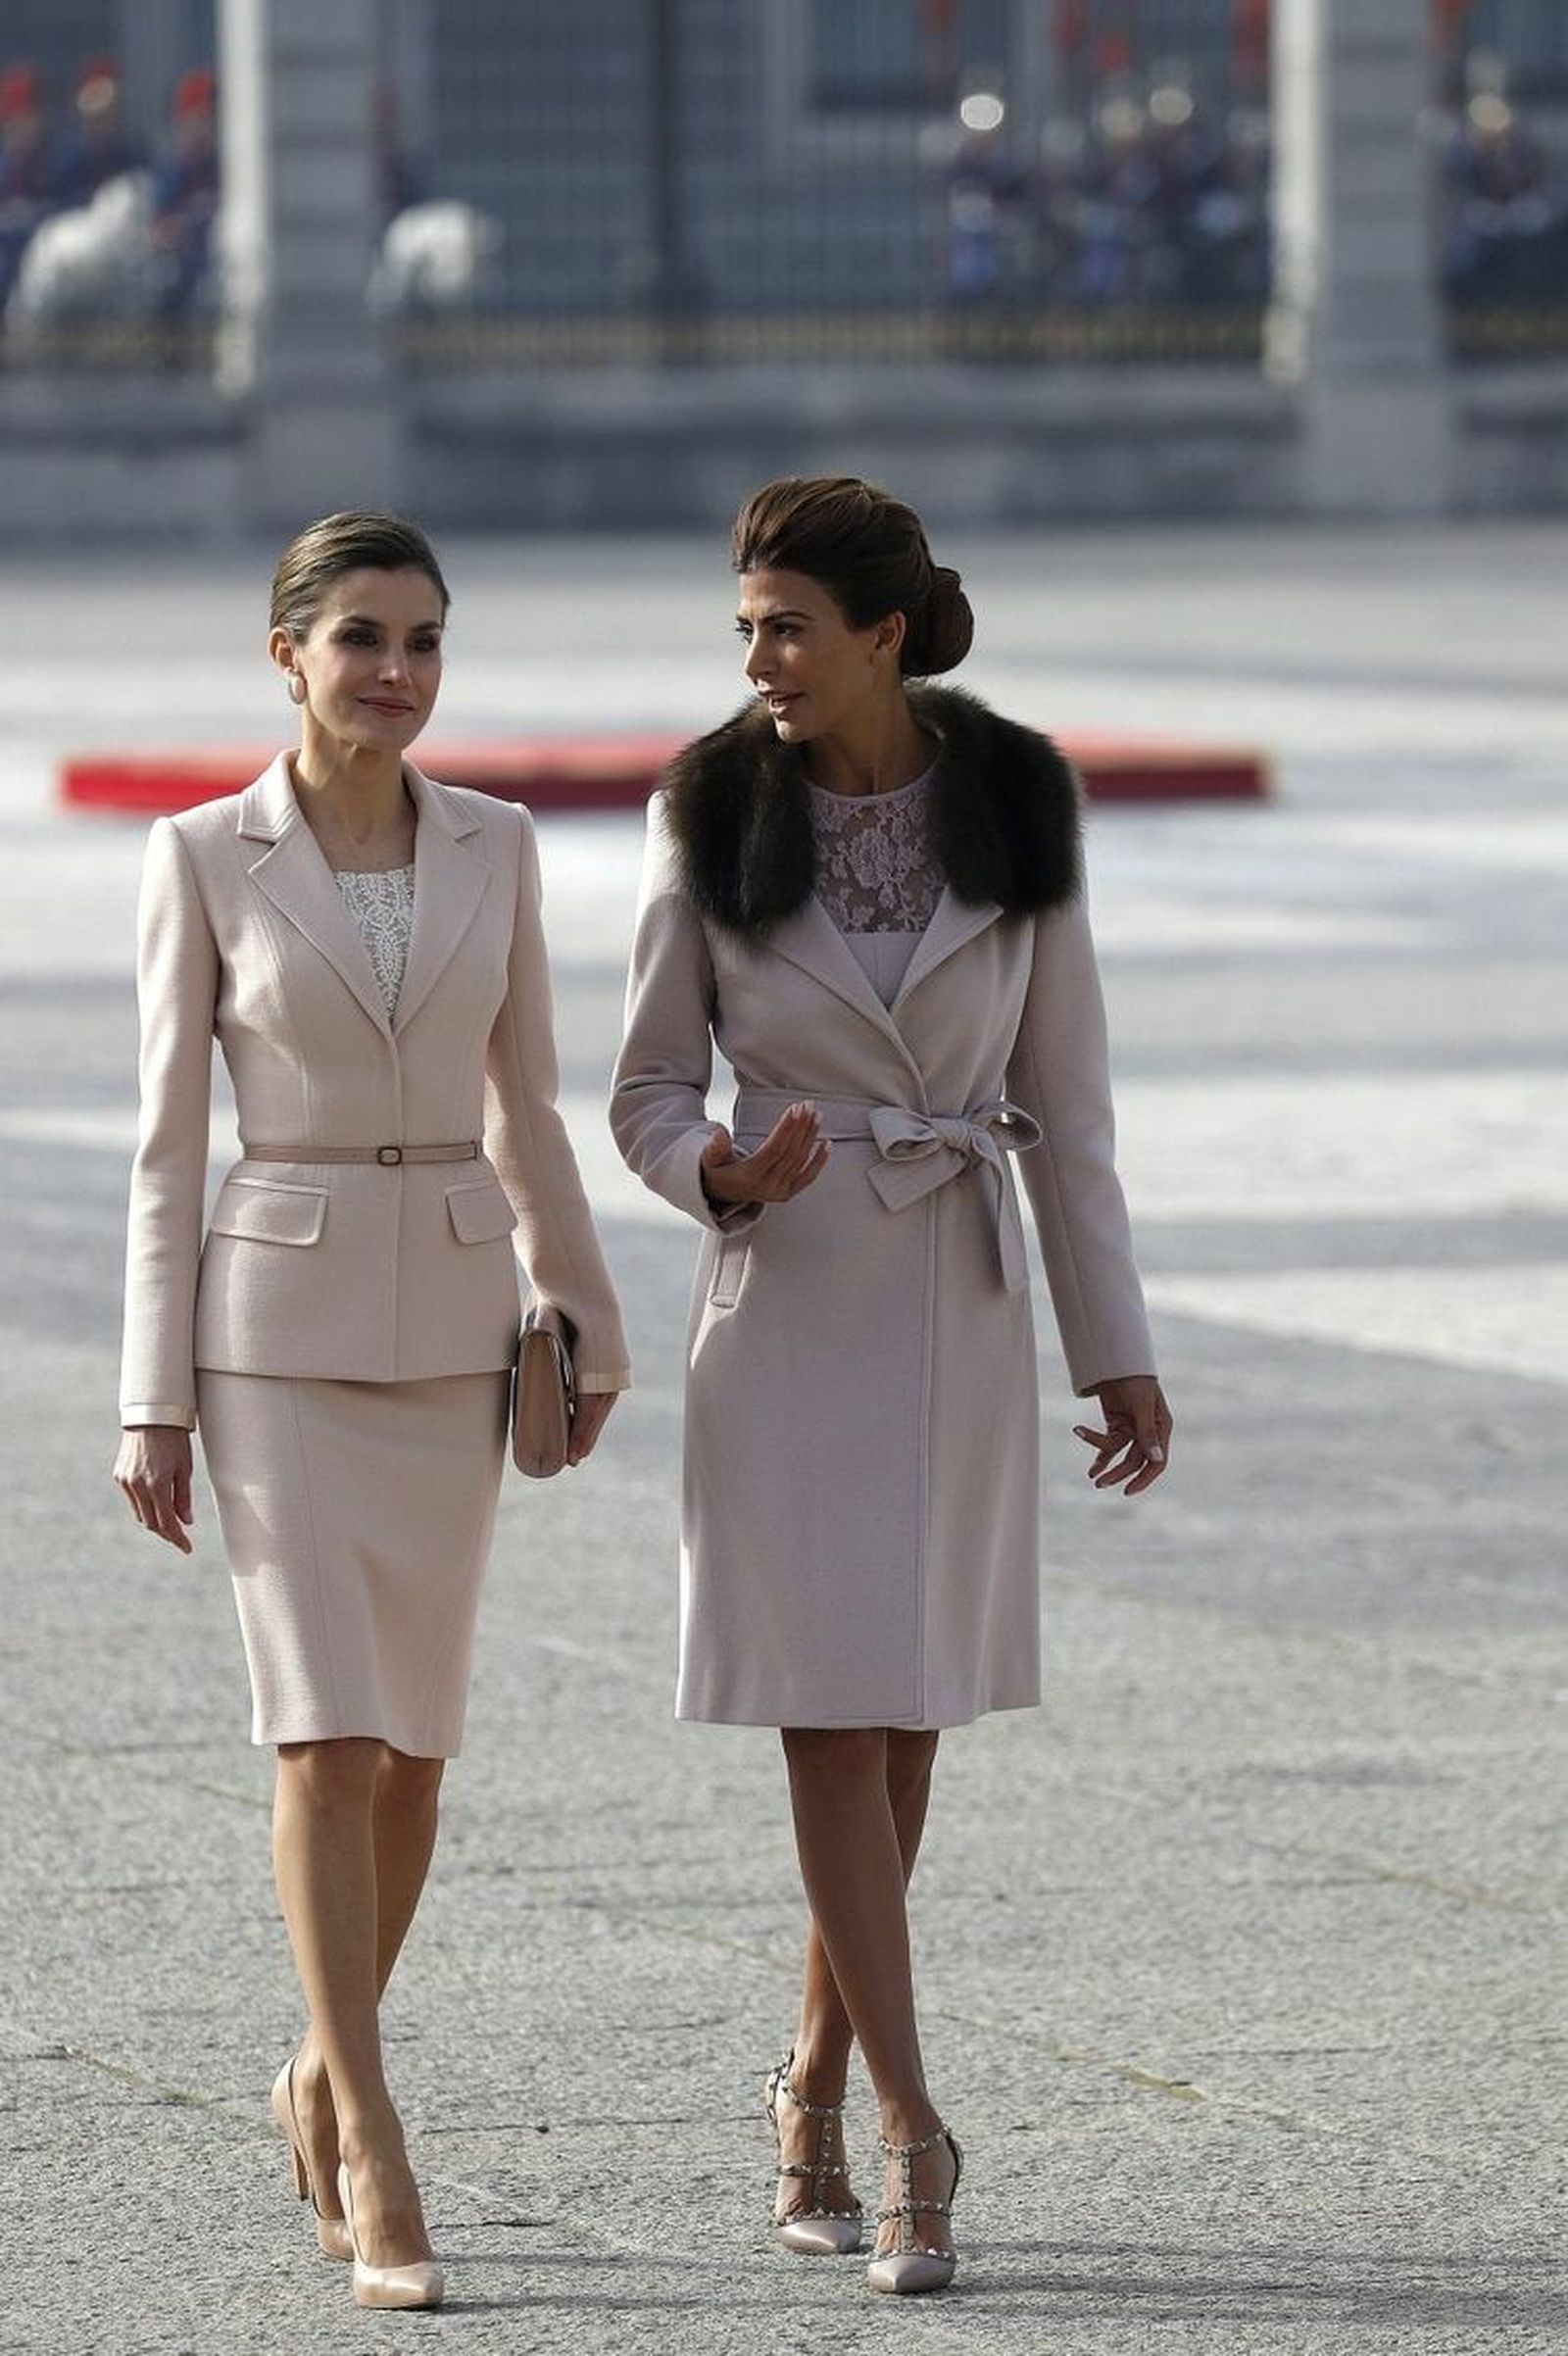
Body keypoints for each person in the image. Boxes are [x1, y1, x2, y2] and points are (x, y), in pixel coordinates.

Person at [611, 476, 1169, 2298]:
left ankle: (809, 2097)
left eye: (785, 625)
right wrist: (720, 1171)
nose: (757, 659)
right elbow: (639, 1091)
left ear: (886, 635)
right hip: (782, 1303)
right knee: (828, 1724)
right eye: (744, 627)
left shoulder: (1018, 798)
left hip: (954, 1297)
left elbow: (1071, 1107)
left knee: (904, 1721)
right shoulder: (702, 807)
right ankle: (920, 2136)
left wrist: (1119, 1349)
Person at [114, 510, 629, 2313]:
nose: (395, 670)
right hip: (271, 1332)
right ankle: (381, 2136)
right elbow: (167, 1150)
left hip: (460, 1330)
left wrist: (589, 1299)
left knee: (412, 1752)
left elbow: (534, 1102)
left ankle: (313, 2071)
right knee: (324, 1741)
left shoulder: (499, 845)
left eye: (422, 639)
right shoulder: (197, 856)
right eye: (359, 639)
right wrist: (145, 1399)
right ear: (288, 655)